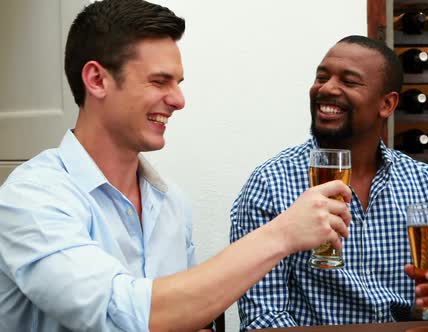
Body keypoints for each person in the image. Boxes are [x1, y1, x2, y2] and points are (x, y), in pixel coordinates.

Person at [0, 1, 352, 331]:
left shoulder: (171, 203)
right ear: (96, 80)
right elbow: (120, 312)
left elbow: (185, 313)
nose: (179, 100)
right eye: (159, 81)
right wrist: (282, 234)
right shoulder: (31, 198)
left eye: (178, 83)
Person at [230, 35, 428, 330]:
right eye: (322, 76)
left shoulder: (422, 180)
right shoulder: (270, 183)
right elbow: (264, 318)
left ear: (386, 104)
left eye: (349, 81)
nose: (327, 88)